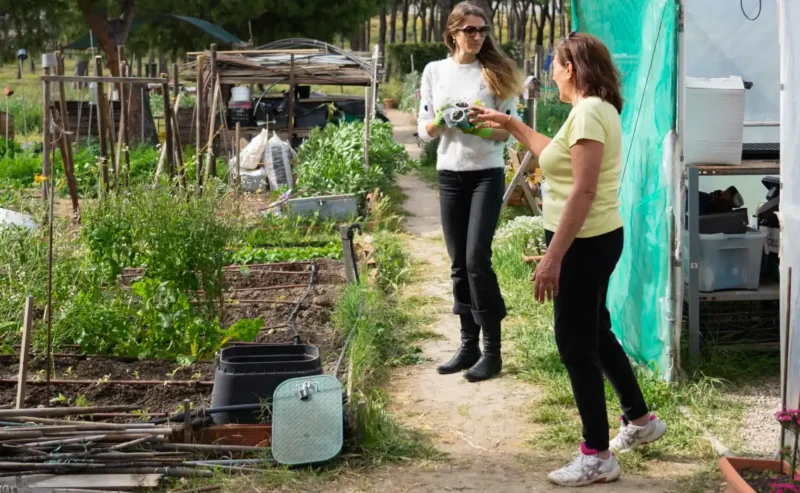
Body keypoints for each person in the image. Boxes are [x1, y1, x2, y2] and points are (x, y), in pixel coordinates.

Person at [469, 32, 667, 487]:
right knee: (595, 331)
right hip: (592, 239)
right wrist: (512, 124)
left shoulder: (590, 113)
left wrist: (553, 257)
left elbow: (583, 189)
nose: (550, 73)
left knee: (576, 347)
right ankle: (639, 420)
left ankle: (596, 456)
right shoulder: (588, 112)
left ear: (571, 69)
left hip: (582, 245)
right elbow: (555, 159)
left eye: (554, 65)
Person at [417, 1, 522, 383]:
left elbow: (508, 130)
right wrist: (442, 120)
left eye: (482, 30)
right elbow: (422, 129)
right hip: (449, 174)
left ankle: (493, 351)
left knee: (478, 259)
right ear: (453, 33)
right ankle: (468, 345)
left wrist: (476, 125)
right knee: (458, 264)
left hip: (485, 175)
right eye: (470, 30)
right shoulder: (435, 71)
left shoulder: (495, 72)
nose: (477, 36)